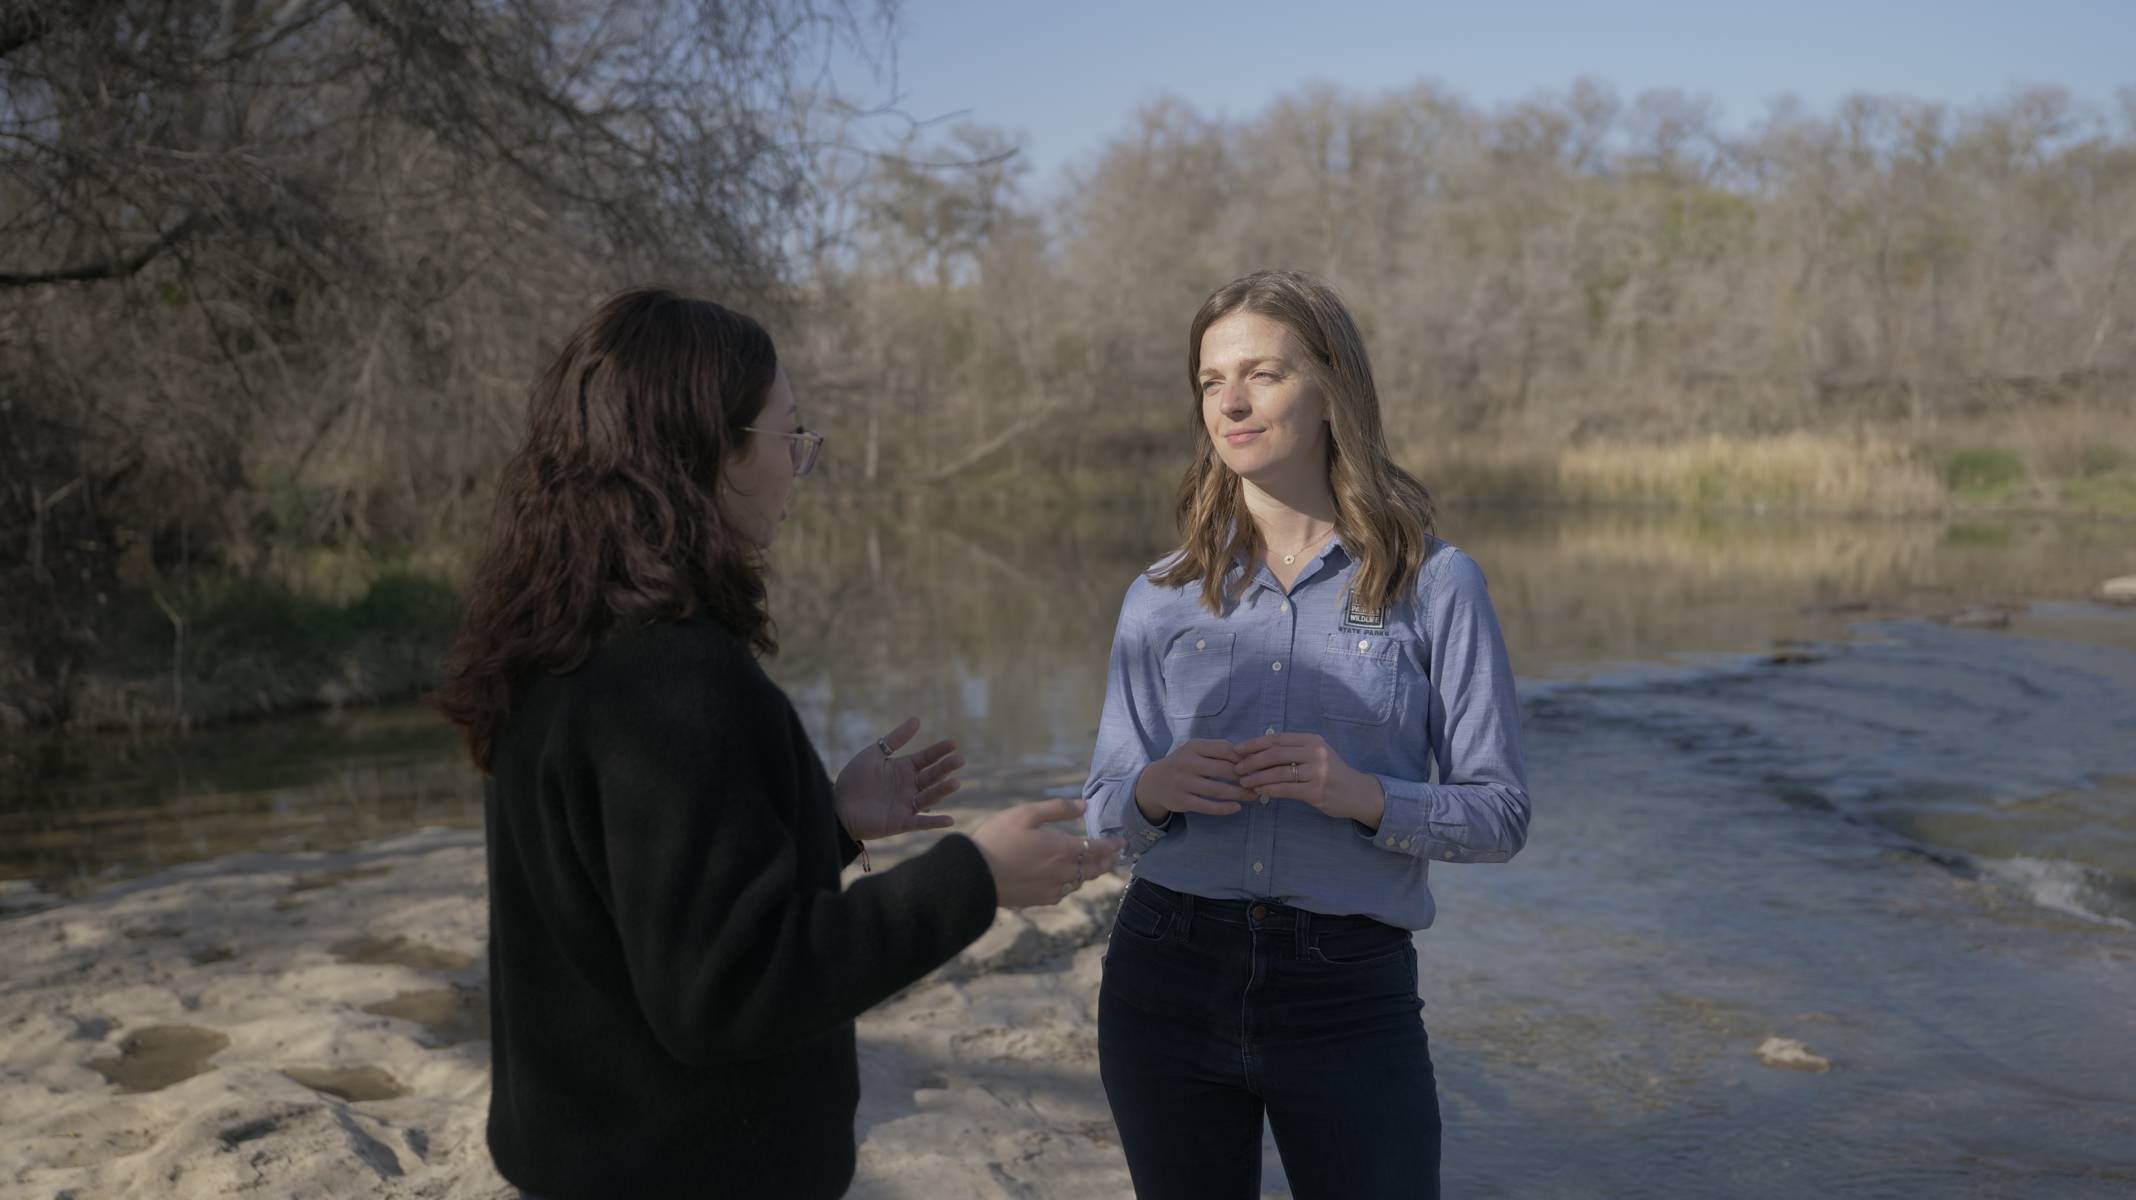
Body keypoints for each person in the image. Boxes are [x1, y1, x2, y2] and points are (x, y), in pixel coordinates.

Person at [436, 287, 1124, 1199]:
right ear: (705, 454)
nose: (800, 464)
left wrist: (820, 821)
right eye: (787, 436)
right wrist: (975, 876)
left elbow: (640, 900)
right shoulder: (674, 681)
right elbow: (728, 990)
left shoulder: (561, 645)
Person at [1083, 269, 1530, 1199]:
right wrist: (1153, 792)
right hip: (1166, 972)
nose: (1232, 404)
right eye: (1211, 382)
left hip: (1349, 994)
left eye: (1263, 375)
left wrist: (1364, 797)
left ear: (1332, 388)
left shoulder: (1438, 585)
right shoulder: (1159, 597)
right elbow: (1101, 816)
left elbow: (1501, 813)